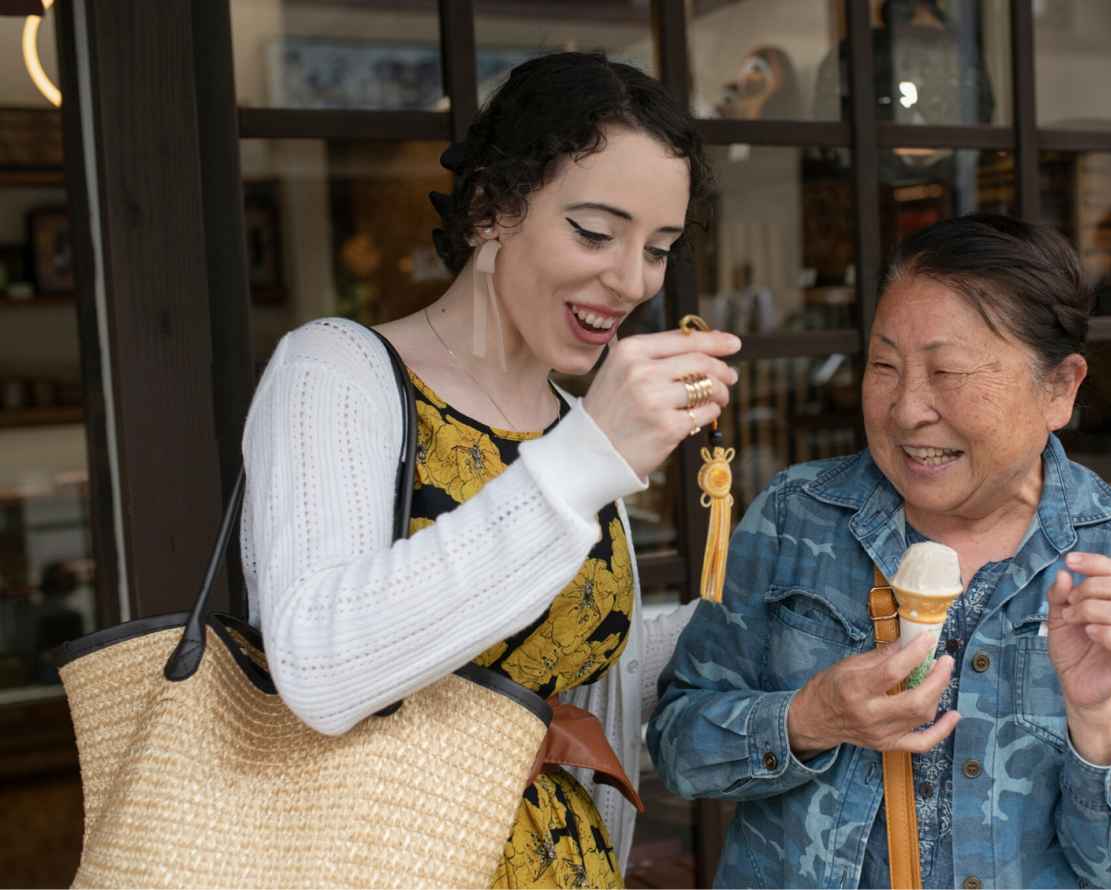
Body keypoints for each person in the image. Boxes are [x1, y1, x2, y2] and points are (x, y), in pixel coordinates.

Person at [239, 52, 739, 888]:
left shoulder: (571, 422)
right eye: (593, 231)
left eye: (659, 247)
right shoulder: (335, 371)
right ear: (491, 209)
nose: (629, 281)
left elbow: (559, 664)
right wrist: (588, 462)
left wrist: (776, 613)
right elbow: (319, 667)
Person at [649, 214, 1111, 888]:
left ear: (1060, 387)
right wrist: (811, 715)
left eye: (948, 372)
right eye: (885, 366)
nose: (907, 410)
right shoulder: (800, 517)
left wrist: (1095, 718)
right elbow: (678, 745)